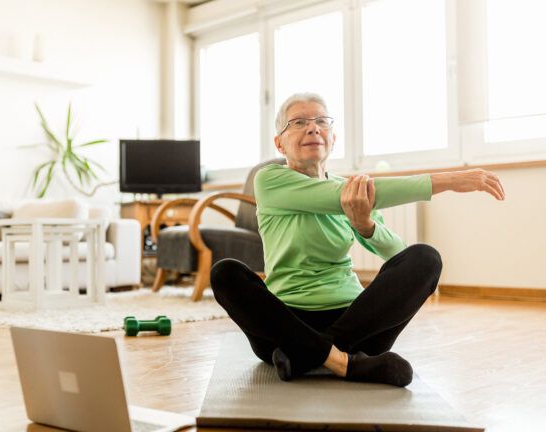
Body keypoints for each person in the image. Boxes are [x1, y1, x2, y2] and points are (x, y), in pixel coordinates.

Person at [210, 92, 505, 387]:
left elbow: (397, 254)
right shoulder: (270, 179)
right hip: (285, 326)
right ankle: (343, 361)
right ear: (279, 143)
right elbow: (356, 195)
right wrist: (451, 181)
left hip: (357, 323)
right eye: (299, 122)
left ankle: (310, 356)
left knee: (426, 258)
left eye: (321, 121)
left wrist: (364, 224)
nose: (313, 128)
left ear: (332, 138)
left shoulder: (347, 189)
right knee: (225, 273)